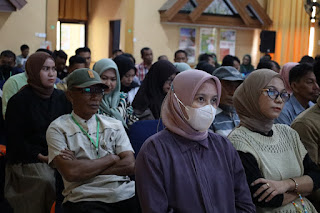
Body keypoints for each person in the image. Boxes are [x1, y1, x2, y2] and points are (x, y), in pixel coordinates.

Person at [135, 70, 255, 213]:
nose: (209, 108)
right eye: (200, 99)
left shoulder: (223, 146)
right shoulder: (154, 151)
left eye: (213, 100)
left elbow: (244, 204)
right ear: (179, 100)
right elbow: (155, 208)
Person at [46, 68, 138, 213]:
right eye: (88, 91)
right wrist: (112, 158)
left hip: (124, 193)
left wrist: (84, 168)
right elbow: (71, 172)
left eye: (99, 91)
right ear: (70, 95)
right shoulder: (58, 128)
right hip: (85, 197)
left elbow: (130, 164)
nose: (95, 97)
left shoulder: (114, 124)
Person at [228, 69, 320, 212]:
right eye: (271, 92)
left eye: (283, 94)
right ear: (253, 94)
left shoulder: (287, 132)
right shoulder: (239, 140)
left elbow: (316, 176)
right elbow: (266, 198)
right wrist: (303, 188)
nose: (279, 99)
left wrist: (287, 184)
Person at [4, 52, 72, 213]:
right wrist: (41, 156)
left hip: (58, 153)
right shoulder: (19, 101)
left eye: (53, 69)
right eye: (45, 69)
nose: (51, 73)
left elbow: (70, 127)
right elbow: (16, 140)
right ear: (33, 71)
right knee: (47, 180)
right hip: (29, 160)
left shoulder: (61, 97)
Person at [93, 58, 138, 128]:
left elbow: (133, 123)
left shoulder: (123, 99)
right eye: (104, 78)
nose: (108, 83)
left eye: (113, 79)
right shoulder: (90, 100)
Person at [210, 66, 244, 137]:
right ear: (215, 87)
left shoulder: (244, 115)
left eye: (237, 87)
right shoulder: (209, 117)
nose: (232, 92)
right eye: (228, 86)